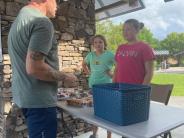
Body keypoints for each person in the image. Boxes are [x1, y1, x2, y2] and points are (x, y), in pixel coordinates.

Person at [8, 0, 78, 137]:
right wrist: (65, 76)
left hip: (25, 98)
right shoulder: (41, 22)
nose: (57, 5)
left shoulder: (19, 21)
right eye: (56, 1)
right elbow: (34, 67)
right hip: (40, 102)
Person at [82, 35, 115, 138]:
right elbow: (84, 64)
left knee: (108, 112)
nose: (98, 44)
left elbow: (120, 66)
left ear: (104, 43)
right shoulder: (90, 55)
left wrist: (112, 75)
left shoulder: (110, 55)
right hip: (94, 87)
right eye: (95, 42)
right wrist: (89, 73)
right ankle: (94, 134)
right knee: (96, 112)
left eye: (100, 42)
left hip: (107, 87)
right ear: (93, 45)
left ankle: (109, 136)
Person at [114, 18, 155, 85]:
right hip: (120, 89)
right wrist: (113, 86)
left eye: (128, 29)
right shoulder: (120, 48)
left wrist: (141, 90)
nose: (124, 32)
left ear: (137, 30)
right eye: (123, 30)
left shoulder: (145, 47)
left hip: (136, 90)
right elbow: (116, 70)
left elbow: (149, 72)